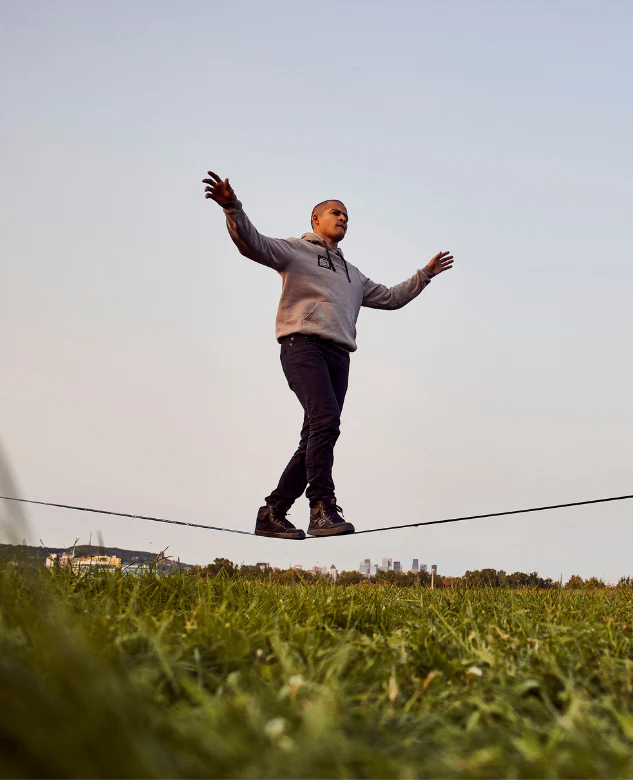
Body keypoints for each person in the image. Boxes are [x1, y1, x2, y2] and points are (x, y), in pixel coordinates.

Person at [202, 171, 454, 540]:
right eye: (335, 213)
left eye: (347, 216)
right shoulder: (295, 250)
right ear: (315, 220)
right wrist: (232, 207)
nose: (342, 218)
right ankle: (321, 507)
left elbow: (391, 297)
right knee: (326, 421)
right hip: (303, 346)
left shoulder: (353, 274)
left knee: (318, 433)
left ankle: (272, 512)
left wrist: (425, 274)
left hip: (339, 356)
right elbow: (252, 244)